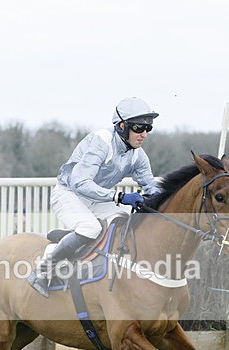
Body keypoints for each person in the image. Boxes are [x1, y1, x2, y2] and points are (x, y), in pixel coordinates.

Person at [27, 97, 161, 297]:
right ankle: (43, 269)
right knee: (90, 228)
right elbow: (80, 183)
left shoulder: (138, 154)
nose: (144, 135)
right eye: (138, 128)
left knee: (125, 220)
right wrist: (119, 196)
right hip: (68, 194)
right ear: (122, 126)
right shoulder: (101, 141)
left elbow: (150, 185)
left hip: (95, 198)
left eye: (148, 129)